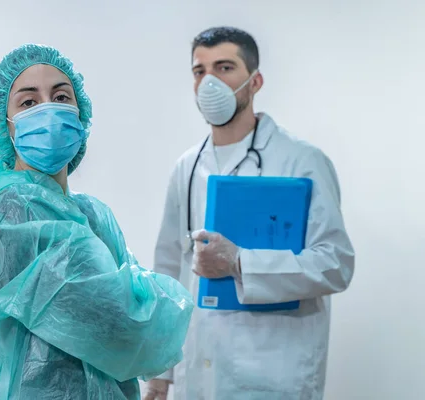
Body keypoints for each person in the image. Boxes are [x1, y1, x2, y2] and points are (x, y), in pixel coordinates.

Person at [0, 44, 193, 400]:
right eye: (28, 103)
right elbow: (126, 326)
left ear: (80, 115)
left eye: (61, 97)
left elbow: (131, 330)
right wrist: (149, 299)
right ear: (6, 125)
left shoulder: (94, 215)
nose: (48, 111)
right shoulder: (14, 211)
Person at [144, 27, 355, 400]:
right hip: (199, 373)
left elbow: (336, 264)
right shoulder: (187, 167)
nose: (210, 82)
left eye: (225, 68)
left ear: (254, 81)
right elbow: (168, 271)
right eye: (200, 71)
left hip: (273, 372)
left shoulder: (300, 161)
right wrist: (161, 373)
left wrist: (241, 262)